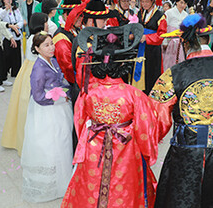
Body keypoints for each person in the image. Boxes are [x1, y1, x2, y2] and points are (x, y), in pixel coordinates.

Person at [149, 14, 213, 207]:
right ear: (208, 40)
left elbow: (157, 118)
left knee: (183, 196)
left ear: (185, 44)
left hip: (187, 150)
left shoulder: (173, 74)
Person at [62, 23, 163, 207]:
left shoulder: (89, 92)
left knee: (91, 187)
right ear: (124, 64)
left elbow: (79, 121)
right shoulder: (134, 94)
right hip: (125, 147)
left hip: (94, 144)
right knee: (123, 189)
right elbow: (145, 130)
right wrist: (148, 154)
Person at [20, 32, 73, 202]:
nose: (51, 48)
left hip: (60, 108)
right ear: (37, 49)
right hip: (47, 111)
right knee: (50, 144)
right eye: (46, 45)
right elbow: (38, 96)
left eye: (52, 44)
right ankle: (50, 185)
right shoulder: (38, 68)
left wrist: (66, 91)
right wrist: (58, 98)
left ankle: (63, 181)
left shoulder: (54, 61)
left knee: (63, 141)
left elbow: (61, 80)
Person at [1, 12, 49, 152]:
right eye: (45, 22)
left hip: (27, 71)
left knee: (23, 107)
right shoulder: (39, 39)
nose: (47, 24)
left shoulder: (31, 37)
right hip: (36, 73)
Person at [133, 0, 167, 93]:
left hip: (153, 50)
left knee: (152, 74)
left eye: (147, 1)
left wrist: (147, 38)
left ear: (153, 1)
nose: (144, 4)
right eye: (143, 1)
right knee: (141, 73)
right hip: (141, 48)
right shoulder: (140, 13)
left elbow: (161, 35)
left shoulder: (160, 16)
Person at [0, 0, 24, 79]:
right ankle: (5, 71)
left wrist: (17, 26)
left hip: (16, 32)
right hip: (7, 33)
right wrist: (6, 9)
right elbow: (0, 18)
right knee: (7, 54)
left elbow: (21, 20)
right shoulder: (1, 10)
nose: (9, 0)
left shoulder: (16, 9)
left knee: (17, 54)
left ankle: (16, 72)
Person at [162, 0, 188, 70]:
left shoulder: (186, 15)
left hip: (180, 42)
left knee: (179, 61)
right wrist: (164, 42)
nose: (183, 5)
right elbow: (164, 28)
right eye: (181, 2)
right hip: (169, 41)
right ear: (176, 2)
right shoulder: (169, 12)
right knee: (168, 62)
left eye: (185, 3)